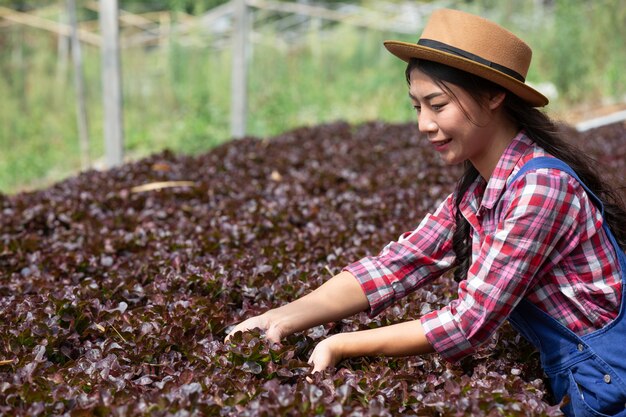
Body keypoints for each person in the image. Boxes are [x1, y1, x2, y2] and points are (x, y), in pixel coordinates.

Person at [226, 8, 626, 416]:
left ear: (493, 95)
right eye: (417, 107)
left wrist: (340, 343)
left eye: (437, 104)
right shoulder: (479, 191)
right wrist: (281, 317)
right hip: (583, 378)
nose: (423, 124)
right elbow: (397, 265)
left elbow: (469, 323)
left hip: (607, 385)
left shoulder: (541, 188)